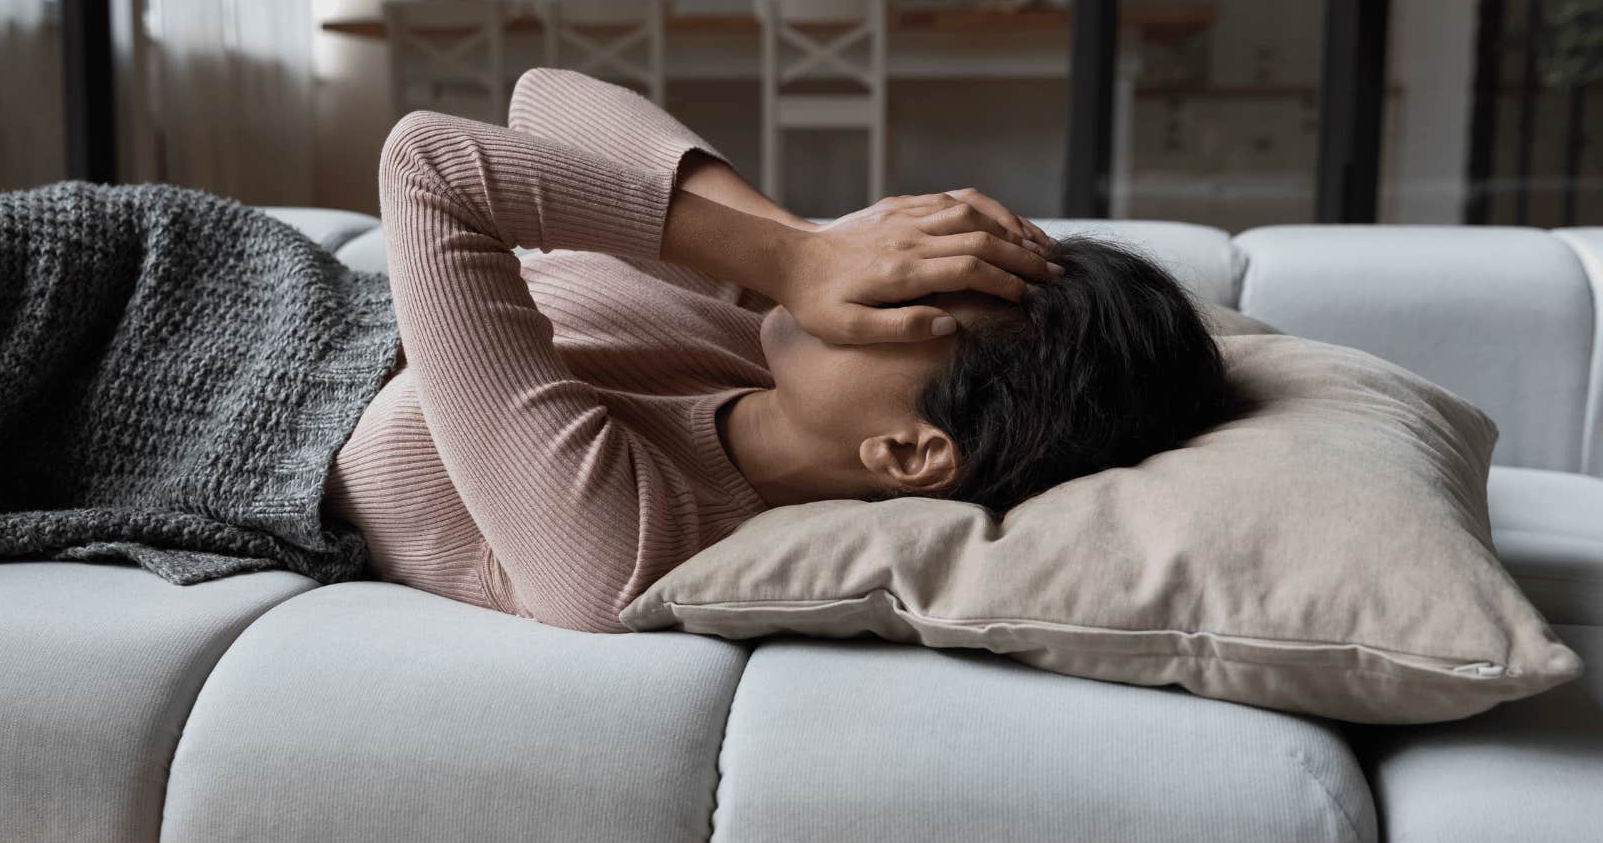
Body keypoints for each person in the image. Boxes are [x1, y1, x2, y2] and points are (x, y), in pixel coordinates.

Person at [320, 68, 1232, 634]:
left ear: (909, 451)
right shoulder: (755, 341)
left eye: (910, 294)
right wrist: (799, 247)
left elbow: (429, 164)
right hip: (244, 264)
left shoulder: (621, 537)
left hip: (195, 390)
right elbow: (547, 100)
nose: (872, 266)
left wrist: (793, 258)